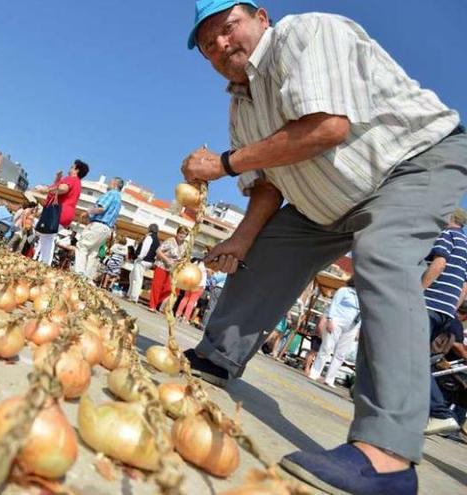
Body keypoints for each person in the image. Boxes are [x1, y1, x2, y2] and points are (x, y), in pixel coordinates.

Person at [180, 1, 465, 492]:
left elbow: (327, 126)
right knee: (269, 249)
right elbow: (267, 181)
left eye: (228, 28)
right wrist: (243, 237)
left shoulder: (306, 35)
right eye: (209, 44)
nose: (222, 46)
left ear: (260, 18)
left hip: (409, 162)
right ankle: (216, 357)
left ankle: (389, 456)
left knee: (383, 252)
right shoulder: (241, 106)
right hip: (330, 199)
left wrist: (224, 164)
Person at [423, 212, 467, 435]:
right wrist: (451, 310)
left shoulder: (447, 234)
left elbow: (439, 263)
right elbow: (464, 287)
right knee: (418, 357)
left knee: (413, 359)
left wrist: (419, 290)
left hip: (430, 304)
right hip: (446, 311)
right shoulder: (465, 245)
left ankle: (439, 412)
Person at [32, 160, 89, 266]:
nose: (70, 168)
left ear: (76, 170)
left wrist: (45, 189)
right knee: (46, 235)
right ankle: (43, 262)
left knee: (47, 236)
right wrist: (57, 179)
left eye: (72, 167)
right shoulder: (77, 183)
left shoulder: (71, 179)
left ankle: (45, 263)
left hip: (59, 212)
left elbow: (63, 189)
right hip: (65, 214)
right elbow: (59, 187)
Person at [308, 279, 361, 387]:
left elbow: (362, 315)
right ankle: (315, 372)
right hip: (337, 322)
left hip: (352, 327)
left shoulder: (363, 297)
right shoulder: (344, 291)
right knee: (327, 348)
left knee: (341, 354)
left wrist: (358, 330)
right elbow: (333, 305)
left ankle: (330, 378)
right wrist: (330, 320)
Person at [74, 177, 123, 278]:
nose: (107, 184)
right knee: (93, 252)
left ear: (114, 184)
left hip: (98, 224)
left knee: (82, 246)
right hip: (106, 228)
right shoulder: (119, 199)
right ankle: (86, 277)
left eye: (109, 182)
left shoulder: (111, 194)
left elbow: (101, 208)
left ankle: (78, 273)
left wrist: (88, 212)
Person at [149, 227, 189, 312]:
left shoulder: (185, 245)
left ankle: (157, 301)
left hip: (173, 269)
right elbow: (158, 251)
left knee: (169, 288)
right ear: (177, 233)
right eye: (180, 233)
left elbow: (184, 257)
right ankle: (153, 305)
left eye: (184, 234)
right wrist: (166, 259)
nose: (182, 235)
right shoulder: (170, 241)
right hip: (162, 265)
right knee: (157, 286)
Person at [127, 224, 160, 304]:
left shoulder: (149, 237)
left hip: (143, 260)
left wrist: (139, 258)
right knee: (132, 275)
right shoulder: (157, 240)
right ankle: (130, 293)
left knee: (137, 278)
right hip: (149, 261)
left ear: (149, 229)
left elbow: (145, 249)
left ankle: (134, 297)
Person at [175, 259, 208, 323]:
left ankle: (178, 314)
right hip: (200, 284)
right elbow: (210, 275)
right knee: (192, 301)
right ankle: (185, 317)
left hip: (190, 282)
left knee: (185, 298)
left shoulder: (195, 262)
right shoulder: (207, 265)